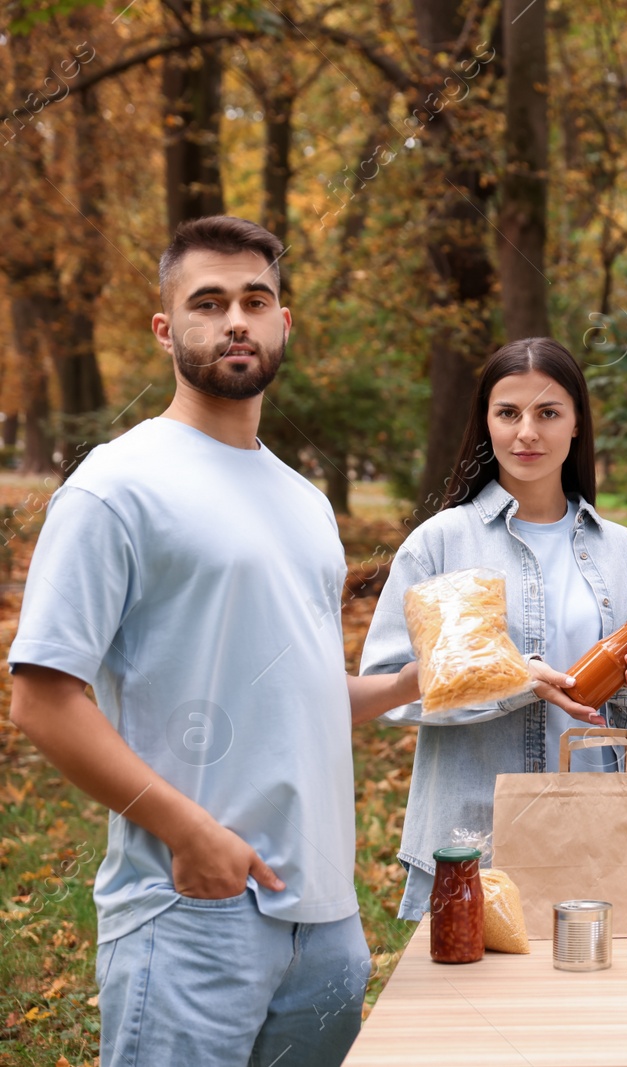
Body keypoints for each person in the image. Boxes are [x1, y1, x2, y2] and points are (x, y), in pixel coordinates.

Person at [7, 216, 423, 1066]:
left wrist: (416, 678)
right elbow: (42, 698)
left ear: (283, 323)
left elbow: (300, 690)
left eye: (255, 299)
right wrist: (191, 835)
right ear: (167, 329)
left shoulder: (304, 502)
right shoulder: (116, 485)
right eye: (209, 301)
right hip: (191, 905)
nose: (236, 318)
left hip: (329, 921)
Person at [359, 338, 627, 918]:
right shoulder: (440, 544)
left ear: (578, 424)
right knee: (477, 1006)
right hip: (476, 840)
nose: (526, 433)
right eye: (507, 413)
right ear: (486, 423)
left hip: (606, 831)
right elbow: (388, 689)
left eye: (548, 413)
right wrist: (513, 680)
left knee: (598, 1004)